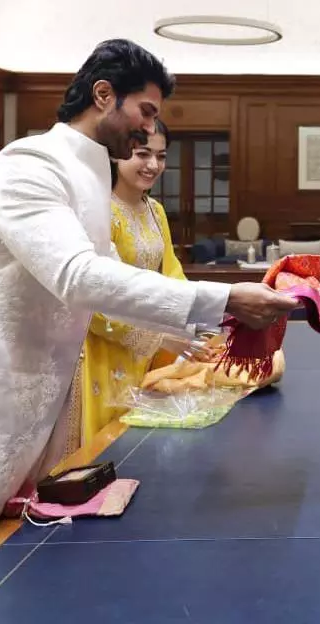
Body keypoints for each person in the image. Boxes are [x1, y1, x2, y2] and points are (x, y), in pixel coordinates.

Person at [0, 39, 298, 602]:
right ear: (102, 95)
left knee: (14, 552)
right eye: (145, 112)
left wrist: (212, 332)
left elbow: (114, 287)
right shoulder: (30, 166)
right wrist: (225, 301)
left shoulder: (90, 177)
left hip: (49, 391)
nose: (148, 131)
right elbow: (77, 277)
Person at [65, 117, 207, 454]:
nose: (153, 165)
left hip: (152, 349)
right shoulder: (97, 213)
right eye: (142, 154)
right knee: (106, 451)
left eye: (161, 156)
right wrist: (158, 336)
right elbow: (95, 298)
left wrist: (199, 317)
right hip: (104, 349)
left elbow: (171, 275)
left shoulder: (155, 211)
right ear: (116, 153)